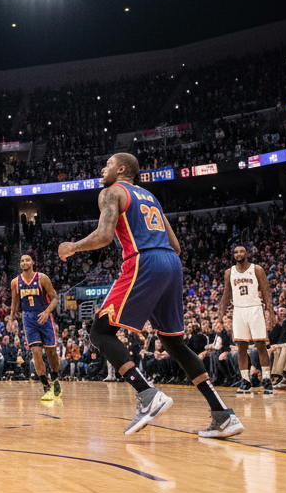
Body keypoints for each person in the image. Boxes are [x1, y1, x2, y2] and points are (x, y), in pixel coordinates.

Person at [58, 153, 244, 439]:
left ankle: (147, 394)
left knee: (100, 331)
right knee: (174, 343)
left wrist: (73, 246)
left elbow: (105, 235)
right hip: (171, 263)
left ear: (121, 169)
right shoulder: (150, 197)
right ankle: (223, 415)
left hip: (143, 261)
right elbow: (176, 246)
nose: (101, 168)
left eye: (106, 164)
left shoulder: (111, 192)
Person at [218, 246, 276, 396]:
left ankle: (266, 379)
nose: (238, 254)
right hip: (238, 309)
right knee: (241, 346)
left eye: (241, 251)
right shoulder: (229, 272)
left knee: (260, 345)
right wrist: (220, 316)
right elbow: (226, 295)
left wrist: (271, 312)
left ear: (247, 254)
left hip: (255, 308)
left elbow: (266, 291)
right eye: (236, 252)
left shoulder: (257, 269)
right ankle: (245, 380)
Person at [8, 253, 62, 402]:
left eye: (27, 260)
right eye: (22, 260)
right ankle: (46, 387)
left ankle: (56, 378)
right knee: (36, 352)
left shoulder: (42, 278)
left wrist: (47, 312)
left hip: (44, 317)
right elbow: (15, 302)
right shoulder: (15, 282)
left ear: (32, 263)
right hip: (28, 319)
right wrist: (11, 319)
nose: (24, 262)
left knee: (51, 353)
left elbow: (55, 298)